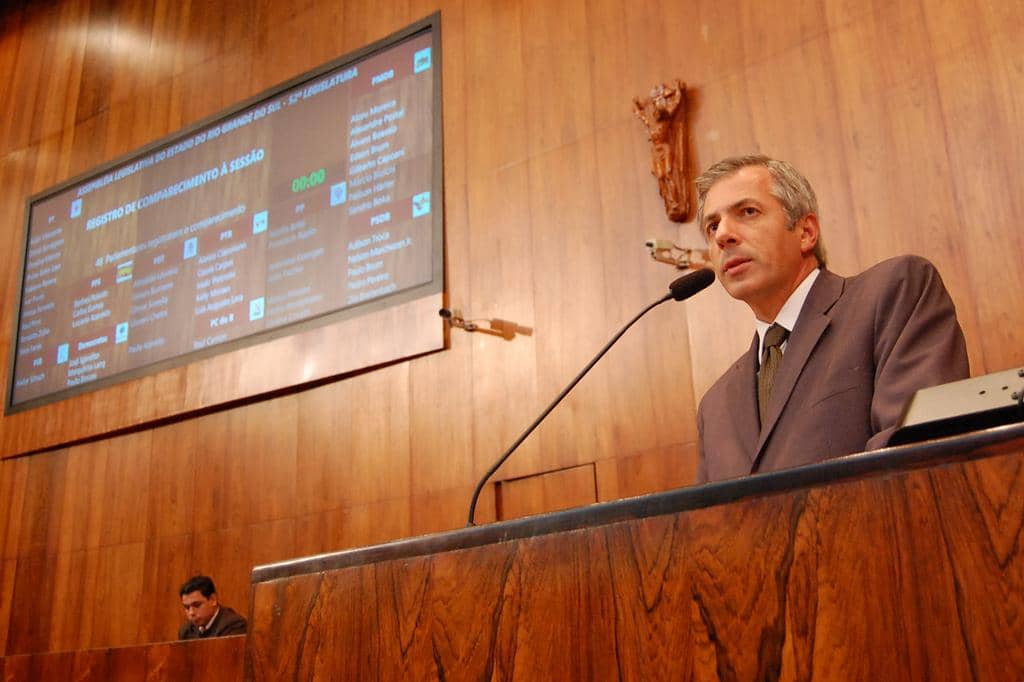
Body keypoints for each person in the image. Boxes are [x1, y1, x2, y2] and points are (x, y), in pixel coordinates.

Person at [693, 154, 969, 483]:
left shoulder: (892, 293)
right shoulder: (715, 407)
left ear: (806, 232)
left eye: (747, 212)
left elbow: (917, 453)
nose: (724, 235)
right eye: (712, 226)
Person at [178, 575, 247, 639]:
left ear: (213, 599)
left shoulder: (234, 626)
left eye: (197, 605)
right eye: (187, 607)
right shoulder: (186, 631)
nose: (191, 613)